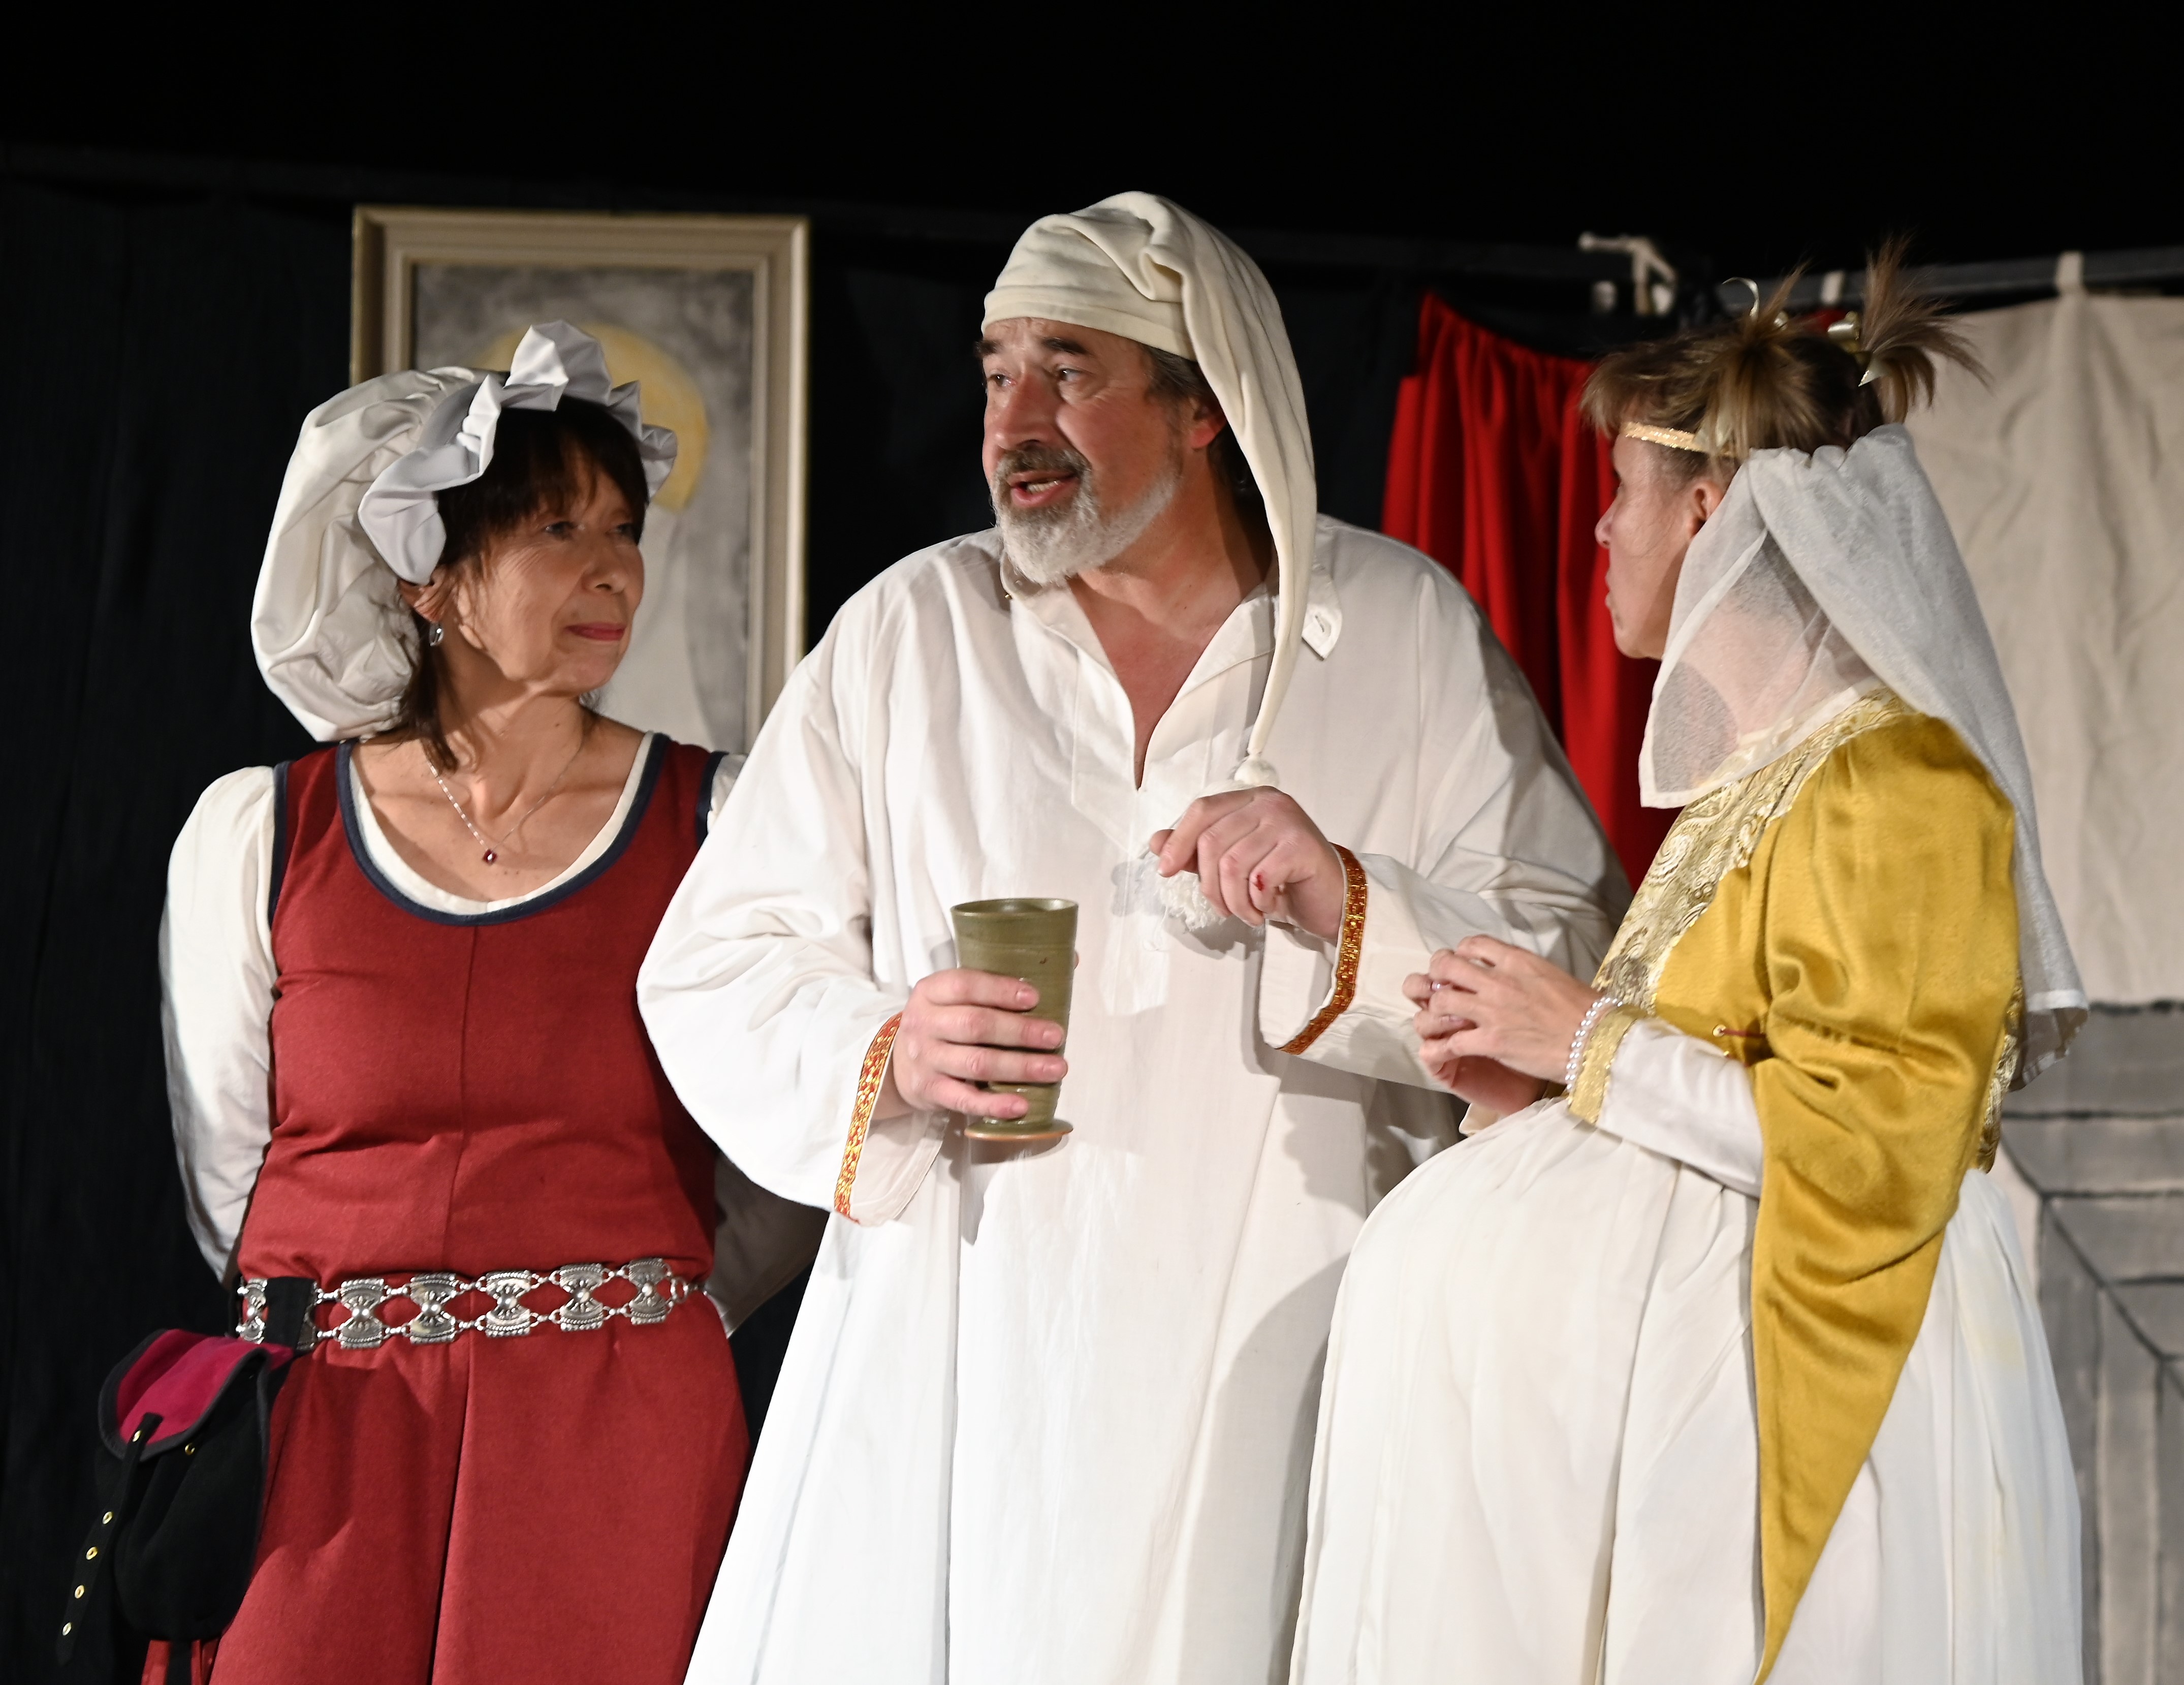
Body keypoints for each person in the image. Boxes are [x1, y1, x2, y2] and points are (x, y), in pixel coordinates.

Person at [637, 194, 1627, 1685]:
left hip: (1289, 1308)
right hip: (970, 1335)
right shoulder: (914, 632)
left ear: (1203, 406)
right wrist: (887, 1046)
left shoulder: (1396, 630)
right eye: (994, 374)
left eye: (1069, 372)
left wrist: (1349, 901)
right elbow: (717, 958)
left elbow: (1567, 955)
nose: (1012, 423)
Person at [1288, 256, 2086, 1683]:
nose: (1600, 527)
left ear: (1707, 509)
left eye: (1621, 492)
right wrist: (1541, 1094)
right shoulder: (1761, 782)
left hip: (1813, 1392)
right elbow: (1708, 1091)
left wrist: (1586, 1044)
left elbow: (1875, 1147)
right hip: (1690, 1400)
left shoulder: (1896, 778)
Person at [161, 323, 809, 1684]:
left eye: (623, 530)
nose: (611, 569)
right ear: (434, 579)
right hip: (332, 1439)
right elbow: (231, 1171)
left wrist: (629, 1315)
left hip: (613, 1438)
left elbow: (781, 1153)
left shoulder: (717, 825)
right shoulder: (265, 834)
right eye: (557, 529)